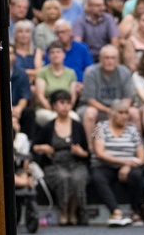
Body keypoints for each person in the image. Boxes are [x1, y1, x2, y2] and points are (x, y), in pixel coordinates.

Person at [33, 90, 91, 226]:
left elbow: (87, 152)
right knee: (63, 178)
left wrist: (81, 152)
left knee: (78, 178)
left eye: (68, 103)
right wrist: (43, 148)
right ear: (54, 106)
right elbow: (34, 146)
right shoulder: (48, 126)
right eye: (61, 103)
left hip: (76, 162)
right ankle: (64, 211)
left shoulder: (77, 126)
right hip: (55, 164)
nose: (65, 106)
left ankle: (73, 212)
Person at [91, 99, 144, 227]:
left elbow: (142, 156)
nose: (124, 116)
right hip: (105, 165)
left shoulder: (133, 129)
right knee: (97, 176)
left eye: (126, 113)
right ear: (111, 114)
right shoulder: (99, 127)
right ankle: (115, 212)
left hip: (128, 167)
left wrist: (127, 165)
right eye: (121, 112)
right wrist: (124, 161)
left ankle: (136, 212)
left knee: (137, 175)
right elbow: (100, 153)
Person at [80, 45, 136, 142]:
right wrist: (109, 110)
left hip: (118, 108)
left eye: (113, 58)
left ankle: (134, 145)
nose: (110, 61)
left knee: (134, 113)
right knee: (90, 113)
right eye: (106, 58)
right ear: (100, 59)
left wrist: (119, 111)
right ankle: (91, 147)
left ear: (118, 60)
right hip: (97, 108)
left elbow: (127, 98)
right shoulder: (91, 72)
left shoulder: (124, 72)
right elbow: (90, 100)